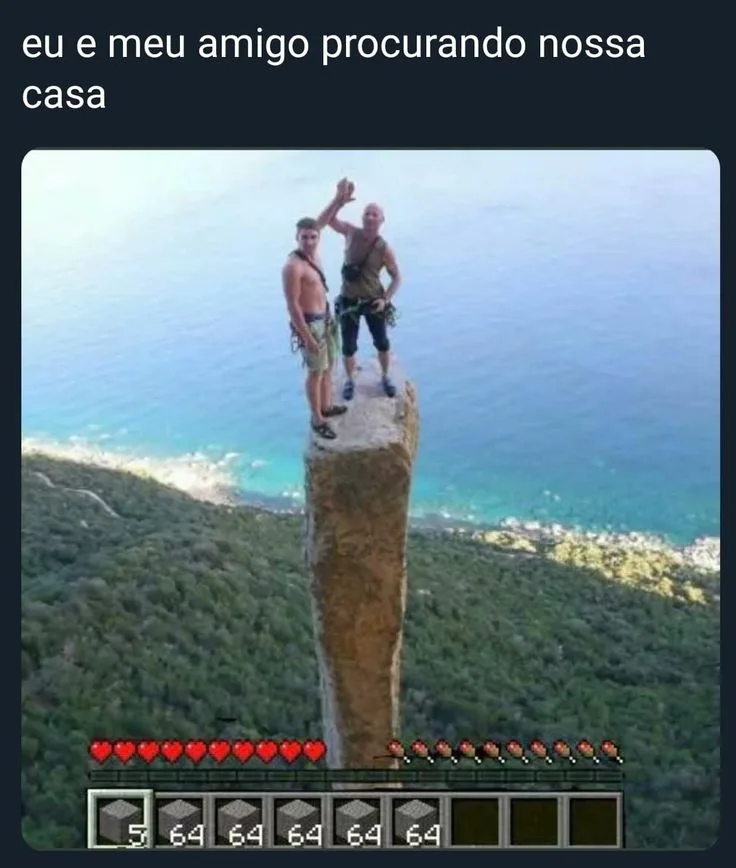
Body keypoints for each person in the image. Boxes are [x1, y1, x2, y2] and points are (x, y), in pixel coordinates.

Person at [282, 181, 354, 439]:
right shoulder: (293, 267)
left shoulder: (312, 253)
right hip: (311, 325)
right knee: (315, 372)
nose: (310, 241)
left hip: (326, 320)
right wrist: (307, 337)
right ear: (297, 237)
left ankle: (326, 406)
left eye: (313, 237)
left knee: (328, 366)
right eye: (305, 237)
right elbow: (292, 305)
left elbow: (319, 222)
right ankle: (317, 418)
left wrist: (338, 200)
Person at [325, 185, 402, 401]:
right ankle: (350, 380)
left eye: (374, 214)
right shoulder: (351, 233)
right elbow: (330, 221)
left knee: (382, 342)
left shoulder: (384, 249)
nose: (370, 217)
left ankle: (385, 377)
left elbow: (397, 277)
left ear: (381, 220)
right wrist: (339, 201)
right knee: (348, 347)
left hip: (373, 301)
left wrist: (385, 300)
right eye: (367, 213)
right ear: (362, 217)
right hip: (349, 301)